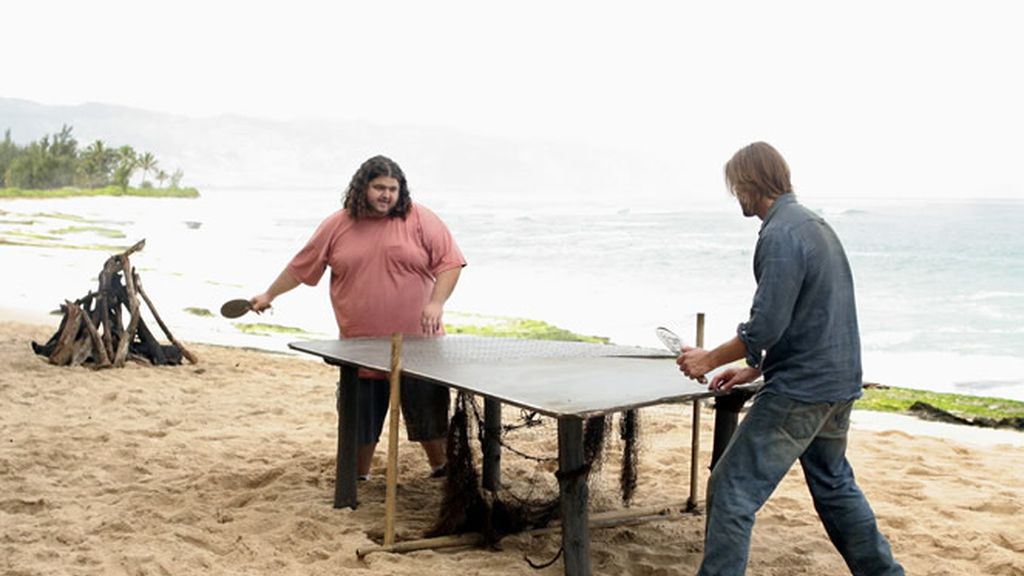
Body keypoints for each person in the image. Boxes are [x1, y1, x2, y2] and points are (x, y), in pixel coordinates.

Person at [677, 142, 903, 575]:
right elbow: (810, 316)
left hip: (802, 390)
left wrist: (707, 359)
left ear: (749, 183)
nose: (734, 196)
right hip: (837, 385)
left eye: (735, 186)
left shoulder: (780, 235)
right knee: (835, 486)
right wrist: (754, 367)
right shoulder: (814, 225)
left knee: (732, 489)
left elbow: (765, 325)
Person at [250, 155, 466, 480]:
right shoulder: (337, 225)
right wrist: (269, 295)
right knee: (360, 424)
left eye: (393, 189)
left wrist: (437, 302)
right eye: (379, 187)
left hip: (420, 346)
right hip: (359, 347)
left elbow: (450, 263)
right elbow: (300, 267)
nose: (386, 195)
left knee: (429, 419)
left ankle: (441, 469)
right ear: (362, 187)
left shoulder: (421, 219)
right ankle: (357, 479)